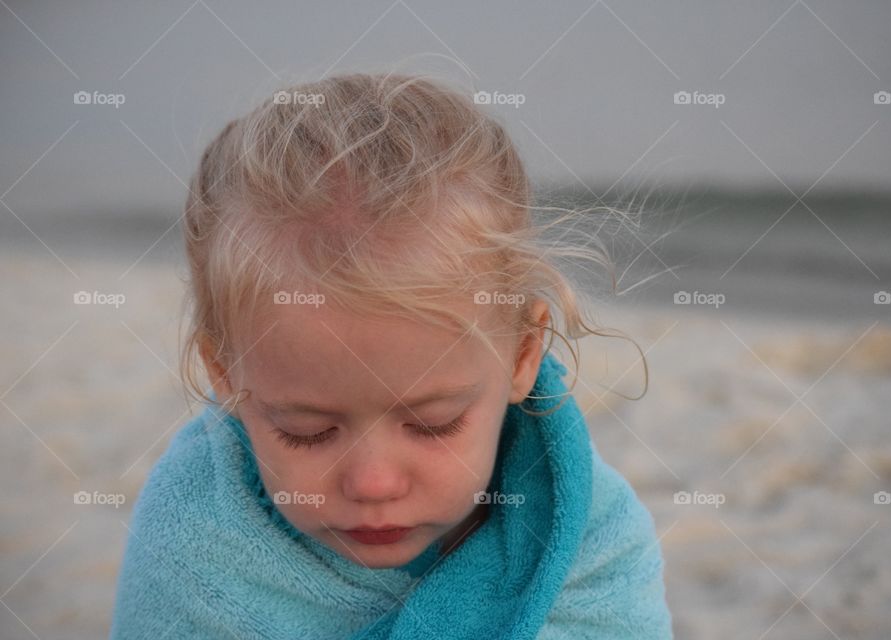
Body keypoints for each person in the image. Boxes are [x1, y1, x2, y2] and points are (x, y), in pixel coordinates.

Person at [109, 71, 673, 639]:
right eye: (306, 430)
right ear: (225, 373)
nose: (373, 483)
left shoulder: (588, 540)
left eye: (434, 424)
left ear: (523, 356)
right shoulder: (194, 550)